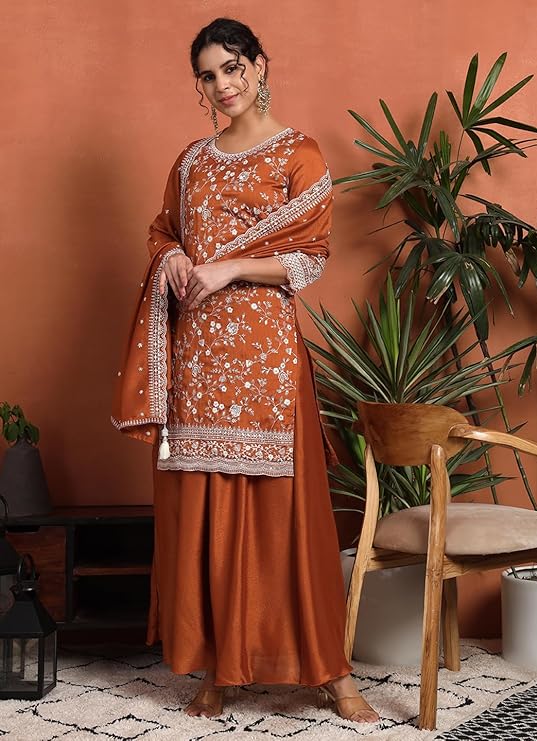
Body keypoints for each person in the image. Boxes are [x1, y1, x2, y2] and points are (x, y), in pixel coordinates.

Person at [112, 17, 379, 725]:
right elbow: (164, 230)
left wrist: (228, 267)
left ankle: (331, 672)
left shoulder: (300, 154)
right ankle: (218, 668)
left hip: (264, 358)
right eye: (208, 75)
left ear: (260, 64)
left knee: (287, 518)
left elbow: (309, 259)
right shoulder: (191, 161)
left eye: (232, 67)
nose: (222, 85)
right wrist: (174, 256)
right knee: (207, 511)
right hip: (198, 356)